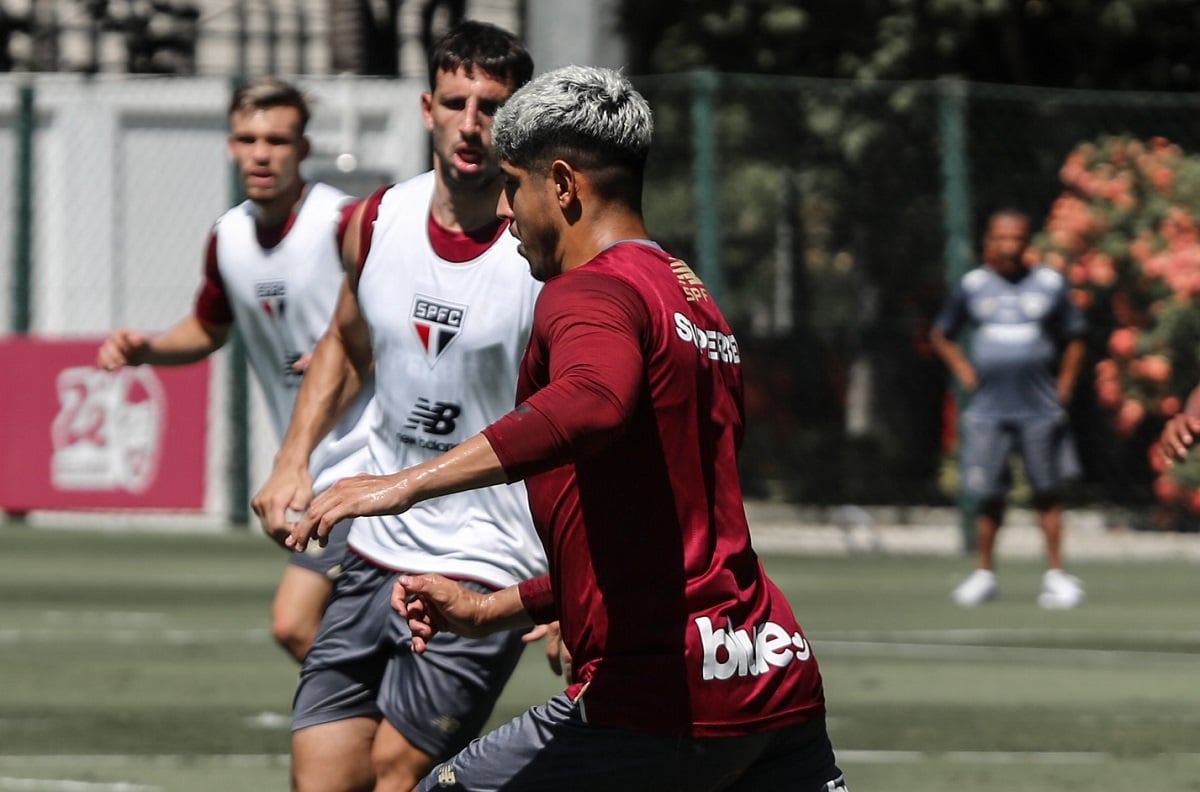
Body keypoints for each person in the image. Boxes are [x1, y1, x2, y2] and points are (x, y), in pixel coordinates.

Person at [291, 64, 848, 792]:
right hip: (768, 671)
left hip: (662, 691)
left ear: (560, 184)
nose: (504, 208)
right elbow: (667, 532)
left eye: (512, 184)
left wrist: (402, 486)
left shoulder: (588, 290)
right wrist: (497, 607)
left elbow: (591, 403)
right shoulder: (688, 294)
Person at [250, 21, 549, 792]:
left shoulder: (545, 252)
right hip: (374, 545)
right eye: (456, 101)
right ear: (427, 108)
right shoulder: (377, 221)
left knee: (394, 773)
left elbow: (576, 417)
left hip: (486, 559)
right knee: (321, 775)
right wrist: (292, 461)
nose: (472, 122)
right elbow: (346, 346)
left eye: (492, 104)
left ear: (517, 116)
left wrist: (567, 583)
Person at [96, 76, 372, 662]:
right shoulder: (229, 238)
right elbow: (208, 329)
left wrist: (343, 352)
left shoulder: (342, 224)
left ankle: (377, 738)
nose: (261, 153)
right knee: (354, 631)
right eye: (248, 139)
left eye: (277, 139)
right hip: (311, 470)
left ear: (302, 148)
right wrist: (147, 348)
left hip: (370, 459)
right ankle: (391, 740)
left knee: (297, 623)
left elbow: (388, 325)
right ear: (230, 146)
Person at [930, 208, 1088, 609]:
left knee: (1047, 492)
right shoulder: (973, 286)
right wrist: (963, 370)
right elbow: (941, 334)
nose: (1010, 246)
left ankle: (1056, 576)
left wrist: (1065, 386)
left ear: (1027, 241)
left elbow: (1076, 337)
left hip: (1039, 408)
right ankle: (984, 575)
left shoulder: (1049, 284)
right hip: (988, 410)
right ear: (989, 241)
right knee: (989, 494)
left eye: (1017, 238)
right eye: (1002, 238)